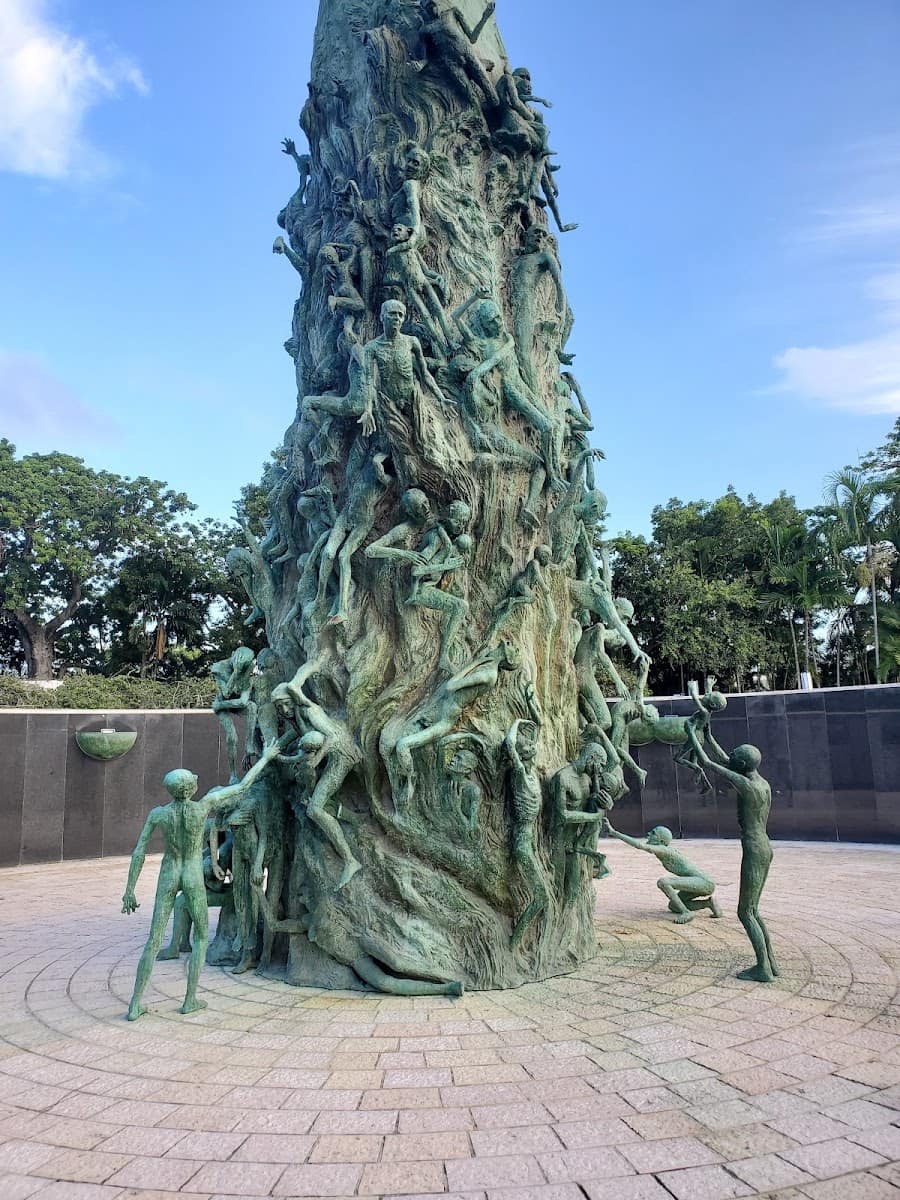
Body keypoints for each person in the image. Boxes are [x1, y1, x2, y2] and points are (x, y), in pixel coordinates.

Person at [120, 738, 286, 1020]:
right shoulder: (202, 807)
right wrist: (267, 757)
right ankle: (189, 1000)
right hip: (192, 874)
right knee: (199, 936)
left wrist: (129, 891)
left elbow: (139, 852)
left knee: (153, 939)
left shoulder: (158, 814)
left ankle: (135, 1004)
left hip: (169, 873)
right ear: (192, 788)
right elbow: (244, 786)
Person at [687, 726, 779, 981]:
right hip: (765, 846)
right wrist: (707, 733)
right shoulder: (761, 782)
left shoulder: (747, 786)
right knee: (754, 910)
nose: (730, 755)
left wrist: (691, 734)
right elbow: (724, 759)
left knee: (745, 912)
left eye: (734, 755)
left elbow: (707, 762)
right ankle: (770, 962)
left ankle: (762, 969)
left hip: (754, 848)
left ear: (741, 763)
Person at [604, 821, 722, 923]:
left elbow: (640, 845)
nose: (649, 834)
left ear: (660, 840)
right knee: (673, 906)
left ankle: (686, 912)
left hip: (704, 882)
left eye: (653, 833)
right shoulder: (664, 849)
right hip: (703, 882)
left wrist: (614, 832)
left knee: (663, 882)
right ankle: (708, 903)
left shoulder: (663, 850)